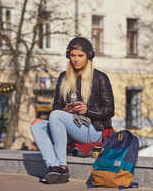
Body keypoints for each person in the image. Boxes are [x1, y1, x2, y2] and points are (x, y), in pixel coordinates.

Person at [30, 37, 115, 184]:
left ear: (89, 56)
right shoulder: (64, 77)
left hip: (94, 129)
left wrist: (87, 110)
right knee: (36, 123)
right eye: (73, 55)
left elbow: (109, 110)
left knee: (56, 116)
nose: (76, 59)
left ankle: (63, 167)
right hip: (71, 127)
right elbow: (56, 106)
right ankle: (54, 166)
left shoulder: (100, 78)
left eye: (80, 56)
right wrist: (65, 110)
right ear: (68, 56)